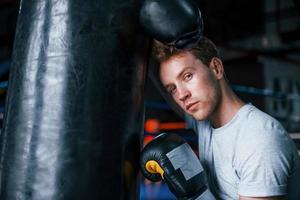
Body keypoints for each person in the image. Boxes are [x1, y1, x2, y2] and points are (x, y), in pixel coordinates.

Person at [139, 0, 300, 199]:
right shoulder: (206, 124)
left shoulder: (259, 141)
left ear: (216, 68)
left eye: (188, 76)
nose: (182, 94)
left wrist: (197, 194)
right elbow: (164, 88)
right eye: (173, 88)